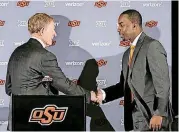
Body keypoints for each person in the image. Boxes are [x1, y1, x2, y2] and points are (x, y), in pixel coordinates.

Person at [5, 13, 97, 130]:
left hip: (16, 121)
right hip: (36, 120)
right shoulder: (45, 56)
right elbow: (64, 84)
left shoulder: (16, 52)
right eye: (53, 29)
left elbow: (8, 88)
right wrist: (90, 95)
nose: (55, 34)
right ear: (42, 30)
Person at [96, 9, 172, 131]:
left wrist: (160, 113)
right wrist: (103, 94)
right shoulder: (127, 54)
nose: (118, 29)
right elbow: (124, 86)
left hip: (153, 119)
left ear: (134, 25)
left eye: (121, 25)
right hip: (134, 121)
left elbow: (162, 83)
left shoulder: (152, 46)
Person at [77, 59, 115, 131]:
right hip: (85, 105)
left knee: (98, 117)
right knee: (98, 116)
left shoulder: (86, 77)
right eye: (95, 68)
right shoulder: (87, 80)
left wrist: (96, 64)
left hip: (87, 105)